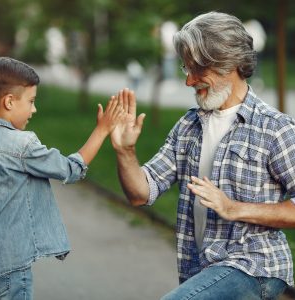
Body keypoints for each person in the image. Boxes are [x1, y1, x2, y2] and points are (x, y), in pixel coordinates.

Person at [110, 12, 295, 300]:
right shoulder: (188, 126)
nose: (189, 81)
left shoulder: (274, 128)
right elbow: (140, 193)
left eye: (198, 69)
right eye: (186, 68)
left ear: (229, 63)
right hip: (202, 269)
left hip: (256, 265)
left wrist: (233, 208)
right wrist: (125, 151)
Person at [0, 56, 124, 299]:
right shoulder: (22, 145)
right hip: (9, 266)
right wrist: (102, 130)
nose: (34, 109)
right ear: (9, 101)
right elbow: (69, 169)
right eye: (31, 101)